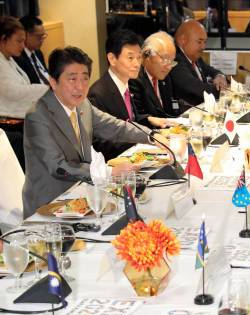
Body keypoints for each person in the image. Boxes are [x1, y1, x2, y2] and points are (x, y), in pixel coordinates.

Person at [22, 46, 167, 218]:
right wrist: (108, 172)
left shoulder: (83, 105)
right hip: (49, 207)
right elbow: (57, 167)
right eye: (72, 79)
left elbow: (115, 127)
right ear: (53, 82)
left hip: (84, 198)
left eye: (85, 79)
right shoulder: (37, 115)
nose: (80, 87)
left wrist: (152, 136)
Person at [89, 30, 171, 159]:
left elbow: (131, 119)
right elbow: (100, 143)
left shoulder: (127, 84)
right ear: (112, 58)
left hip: (137, 157)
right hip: (118, 165)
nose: (137, 64)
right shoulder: (98, 93)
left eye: (139, 57)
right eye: (130, 58)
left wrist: (148, 119)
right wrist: (140, 143)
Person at [0, 16, 48, 170]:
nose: (23, 45)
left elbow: (24, 87)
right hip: (8, 124)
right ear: (3, 39)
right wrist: (49, 89)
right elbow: (13, 92)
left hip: (20, 119)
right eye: (19, 41)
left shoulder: (9, 59)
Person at [170, 19, 226, 103]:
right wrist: (225, 91)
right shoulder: (175, 59)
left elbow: (211, 70)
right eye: (199, 42)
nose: (203, 47)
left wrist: (219, 75)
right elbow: (196, 89)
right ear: (183, 40)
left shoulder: (194, 56)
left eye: (205, 42)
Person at [129, 31, 179, 120]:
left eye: (172, 61)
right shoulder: (134, 79)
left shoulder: (165, 78)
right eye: (165, 59)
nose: (169, 67)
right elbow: (139, 119)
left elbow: (169, 112)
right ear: (147, 55)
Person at [15, 15, 49, 85]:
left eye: (43, 36)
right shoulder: (18, 58)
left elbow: (45, 73)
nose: (42, 40)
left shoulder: (38, 52)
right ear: (24, 35)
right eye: (38, 36)